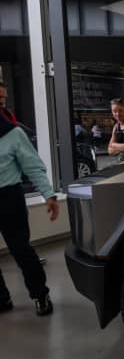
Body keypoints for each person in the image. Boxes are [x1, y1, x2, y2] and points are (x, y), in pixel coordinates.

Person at [0, 83, 58, 316]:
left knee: (21, 250)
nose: (2, 102)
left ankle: (40, 294)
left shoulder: (13, 133)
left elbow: (33, 167)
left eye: (3, 98)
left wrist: (49, 195)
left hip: (8, 197)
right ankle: (2, 299)